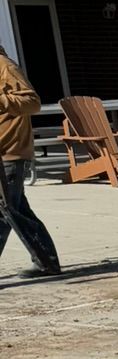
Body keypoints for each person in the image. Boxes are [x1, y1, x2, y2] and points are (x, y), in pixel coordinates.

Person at [0, 44, 60, 277]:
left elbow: (32, 102)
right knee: (14, 209)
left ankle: (48, 262)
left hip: (9, 152)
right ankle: (47, 261)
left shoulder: (4, 66)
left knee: (6, 210)